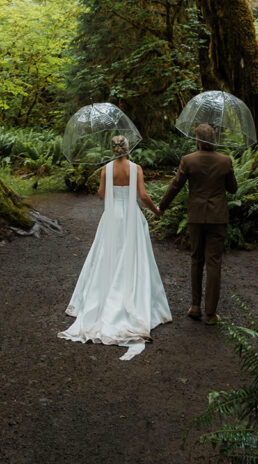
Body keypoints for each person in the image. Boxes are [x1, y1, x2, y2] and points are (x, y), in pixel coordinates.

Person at [58, 134, 171, 359]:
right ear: (128, 149)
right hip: (130, 216)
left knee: (106, 256)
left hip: (111, 217)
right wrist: (156, 210)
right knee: (132, 257)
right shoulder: (136, 168)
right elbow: (142, 195)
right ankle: (130, 297)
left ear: (112, 150)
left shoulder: (106, 169)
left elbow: (101, 195)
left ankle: (102, 297)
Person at [158, 122, 237, 325]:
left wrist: (162, 206)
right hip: (217, 217)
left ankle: (195, 306)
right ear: (213, 141)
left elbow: (175, 185)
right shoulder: (225, 161)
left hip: (195, 217)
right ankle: (210, 313)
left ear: (197, 141)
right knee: (214, 263)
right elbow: (233, 189)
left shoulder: (188, 160)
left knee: (196, 259)